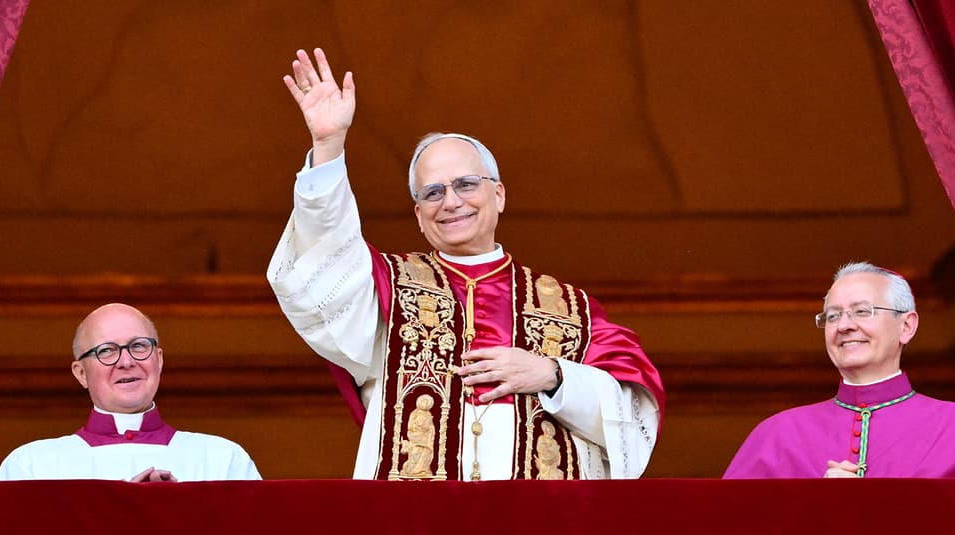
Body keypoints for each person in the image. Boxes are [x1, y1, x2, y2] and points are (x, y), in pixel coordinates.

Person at [267, 47, 664, 480]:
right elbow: (325, 256)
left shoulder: (570, 308)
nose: (451, 201)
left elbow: (633, 415)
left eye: (466, 184)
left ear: (499, 195)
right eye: (432, 193)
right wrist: (328, 147)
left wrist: (553, 374)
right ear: (419, 216)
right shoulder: (384, 291)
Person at [724, 262, 955, 478]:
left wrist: (871, 508)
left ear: (907, 326)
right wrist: (811, 507)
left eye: (862, 311)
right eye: (833, 315)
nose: (845, 325)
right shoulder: (777, 435)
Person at [0, 303, 261, 482]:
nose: (126, 361)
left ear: (159, 360)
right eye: (106, 351)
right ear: (81, 373)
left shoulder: (223, 461)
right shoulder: (31, 468)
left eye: (139, 346)